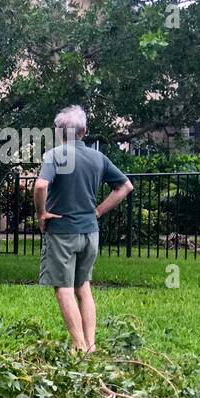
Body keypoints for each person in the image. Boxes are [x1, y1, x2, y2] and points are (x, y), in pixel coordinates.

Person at [33, 105, 134, 352]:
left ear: (58, 132)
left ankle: (79, 347)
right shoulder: (98, 157)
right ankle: (91, 345)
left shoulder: (55, 155)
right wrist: (98, 211)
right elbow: (125, 187)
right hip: (90, 234)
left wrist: (41, 214)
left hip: (62, 232)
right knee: (83, 287)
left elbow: (39, 186)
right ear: (84, 131)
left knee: (64, 289)